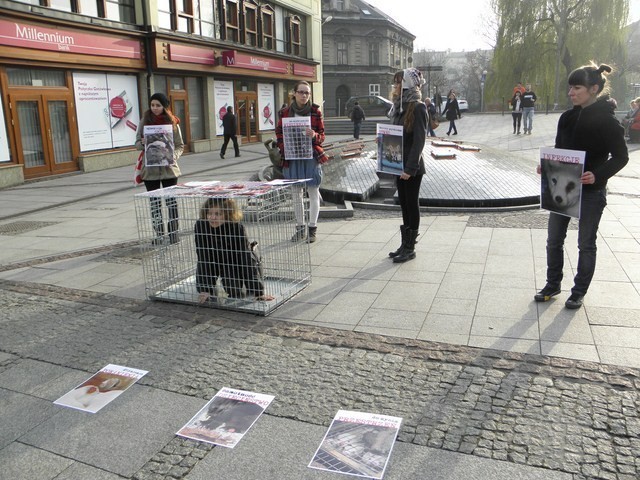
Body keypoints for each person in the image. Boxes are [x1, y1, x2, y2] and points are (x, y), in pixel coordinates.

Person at [535, 63, 628, 310]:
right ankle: (552, 284)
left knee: (585, 244)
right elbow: (560, 149)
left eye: (577, 87)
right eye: (570, 87)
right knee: (553, 240)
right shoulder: (566, 117)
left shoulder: (608, 121)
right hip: (561, 188)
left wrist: (597, 176)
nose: (571, 92)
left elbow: (621, 157)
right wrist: (547, 165)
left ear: (594, 88)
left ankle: (578, 292)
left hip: (591, 192)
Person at [276, 80, 327, 243]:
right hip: (292, 156)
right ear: (294, 93)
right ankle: (300, 229)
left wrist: (314, 135)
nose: (304, 95)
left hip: (311, 155)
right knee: (296, 194)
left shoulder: (315, 111)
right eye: (301, 92)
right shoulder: (284, 112)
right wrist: (285, 147)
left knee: (313, 191)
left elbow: (322, 136)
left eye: (307, 93)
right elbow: (279, 134)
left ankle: (312, 229)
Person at [195, 197, 274, 303]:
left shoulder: (237, 228)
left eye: (218, 214)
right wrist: (205, 289)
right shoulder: (201, 226)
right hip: (212, 259)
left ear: (227, 214)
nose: (212, 217)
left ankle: (250, 283)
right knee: (206, 290)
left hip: (233, 261)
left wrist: (258, 292)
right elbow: (203, 257)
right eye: (209, 213)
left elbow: (244, 258)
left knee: (234, 289)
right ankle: (209, 288)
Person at [387, 68, 427, 263]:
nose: (395, 86)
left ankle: (410, 248)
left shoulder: (418, 107)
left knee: (412, 204)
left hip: (411, 167)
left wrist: (409, 169)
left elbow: (419, 141)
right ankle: (405, 244)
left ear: (407, 84)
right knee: (403, 204)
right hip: (397, 164)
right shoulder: (399, 107)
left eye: (398, 82)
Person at [135, 92, 184, 245]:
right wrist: (143, 142)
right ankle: (159, 234)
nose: (155, 108)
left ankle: (173, 232)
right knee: (155, 204)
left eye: (158, 105)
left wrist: (174, 156)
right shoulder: (145, 121)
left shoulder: (173, 122)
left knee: (171, 202)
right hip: (151, 171)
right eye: (152, 105)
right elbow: (136, 143)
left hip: (169, 170)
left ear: (165, 107)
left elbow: (180, 145)